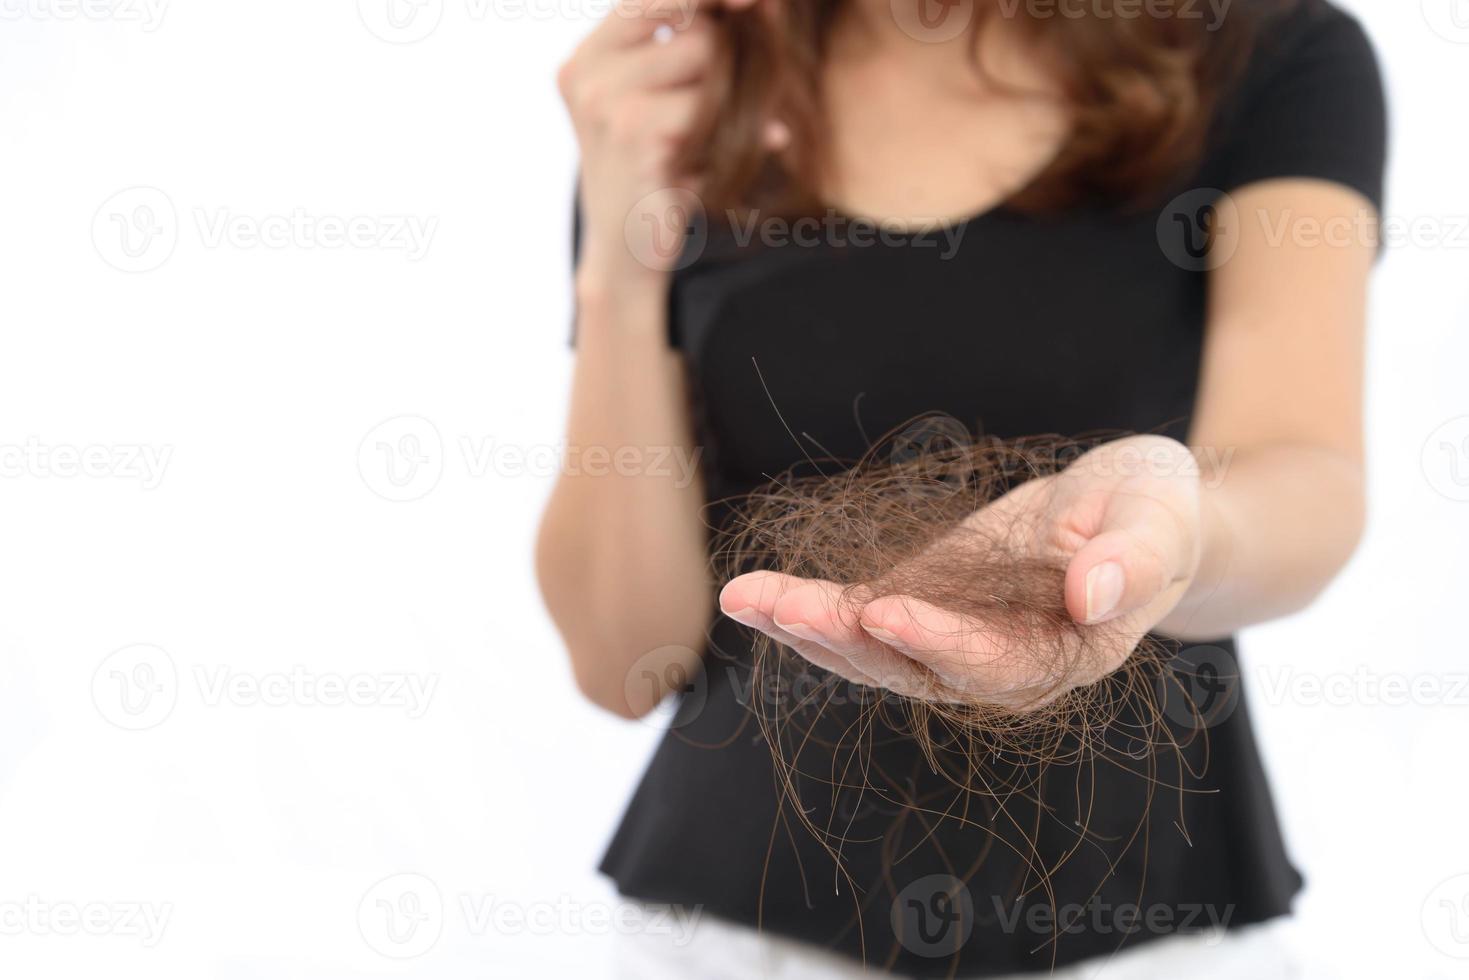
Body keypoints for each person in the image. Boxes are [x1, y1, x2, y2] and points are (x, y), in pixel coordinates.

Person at [536, 0, 1386, 975]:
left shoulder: (1259, 48)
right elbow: (617, 661)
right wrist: (615, 267)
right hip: (740, 931)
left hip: (1139, 924)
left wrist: (1173, 538)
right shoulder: (688, 89)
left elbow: (1301, 469)